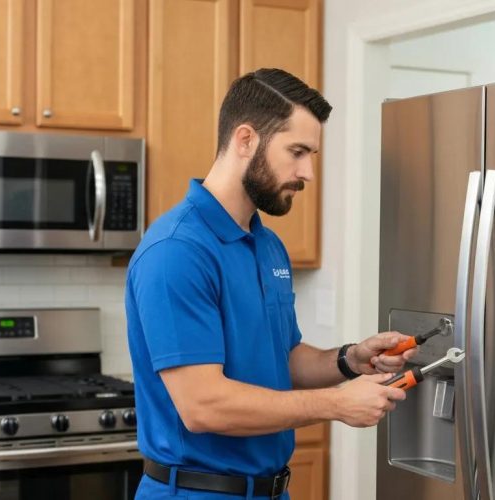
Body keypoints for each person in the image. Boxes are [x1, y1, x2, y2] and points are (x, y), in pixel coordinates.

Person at [126, 68, 417, 500]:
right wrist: (336, 404)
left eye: (312, 155)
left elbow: (283, 359)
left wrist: (350, 359)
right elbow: (204, 406)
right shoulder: (176, 251)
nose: (308, 172)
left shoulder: (268, 246)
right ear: (245, 140)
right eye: (297, 151)